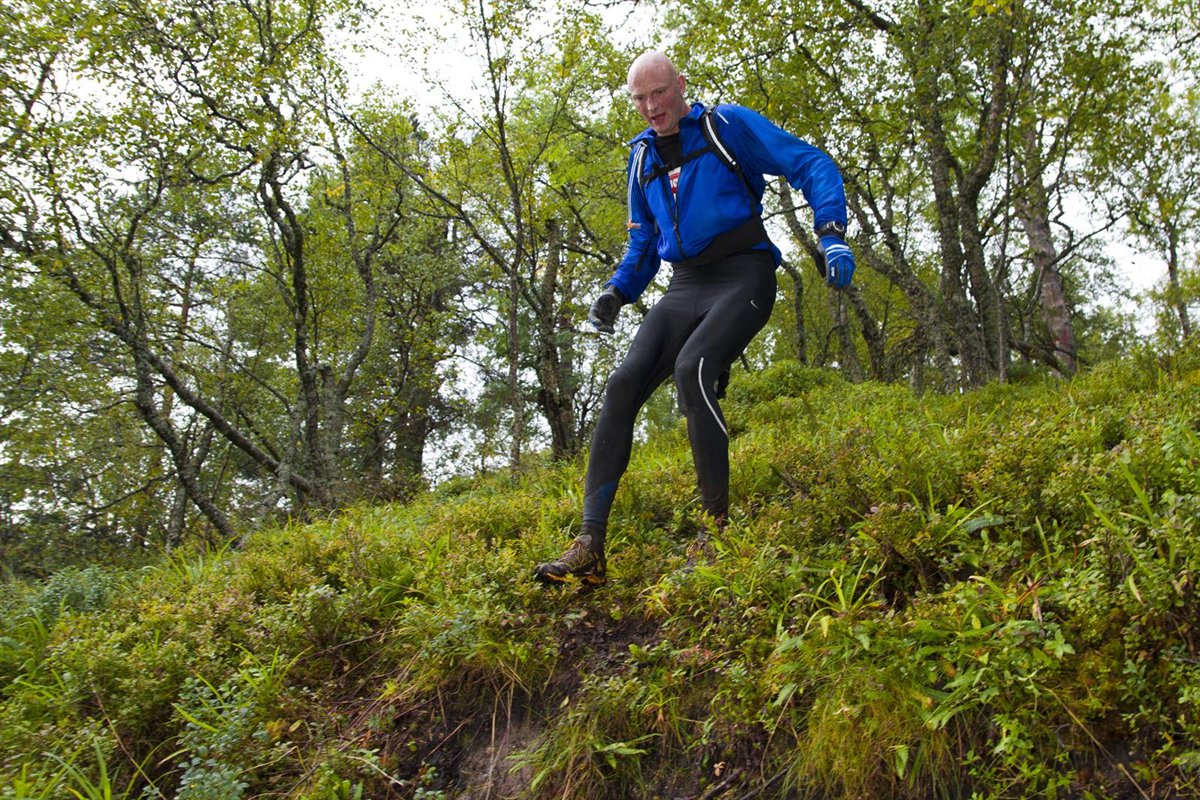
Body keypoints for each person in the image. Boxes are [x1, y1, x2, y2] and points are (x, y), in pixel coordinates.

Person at [533, 51, 855, 586]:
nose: (650, 106)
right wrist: (617, 291)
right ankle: (589, 547)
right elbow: (643, 243)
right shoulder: (640, 160)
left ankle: (716, 531)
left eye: (658, 92)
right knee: (622, 383)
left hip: (744, 275)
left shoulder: (726, 126)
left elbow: (810, 162)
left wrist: (831, 231)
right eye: (639, 98)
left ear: (680, 85)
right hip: (684, 287)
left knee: (692, 368)